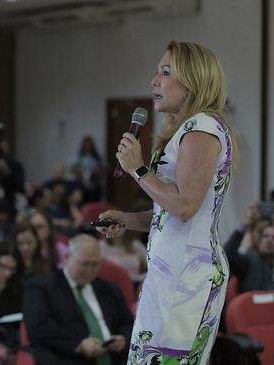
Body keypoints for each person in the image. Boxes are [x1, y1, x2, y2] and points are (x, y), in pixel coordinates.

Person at [96, 41, 238, 364]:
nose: (154, 81)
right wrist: (128, 220)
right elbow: (170, 212)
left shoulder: (201, 128)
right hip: (173, 272)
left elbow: (185, 207)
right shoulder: (188, 128)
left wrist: (138, 169)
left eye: (165, 73)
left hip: (188, 278)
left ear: (193, 81)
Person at [23, 234, 133, 365]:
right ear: (67, 258)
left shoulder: (110, 289)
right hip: (67, 358)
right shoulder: (41, 287)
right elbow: (38, 328)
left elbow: (128, 323)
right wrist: (78, 345)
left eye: (95, 265)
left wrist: (123, 339)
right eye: (85, 264)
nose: (90, 271)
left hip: (115, 358)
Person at [223, 203, 274, 291]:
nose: (269, 240)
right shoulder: (251, 261)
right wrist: (246, 224)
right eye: (264, 235)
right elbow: (227, 257)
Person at [70, 136, 106, 203]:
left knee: (95, 204)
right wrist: (82, 173)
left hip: (95, 185)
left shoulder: (98, 157)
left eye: (90, 144)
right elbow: (72, 168)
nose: (88, 146)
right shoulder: (78, 156)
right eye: (86, 144)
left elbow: (105, 169)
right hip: (82, 184)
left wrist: (95, 172)